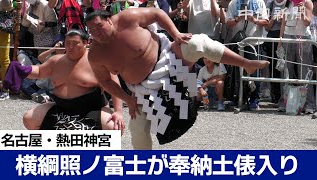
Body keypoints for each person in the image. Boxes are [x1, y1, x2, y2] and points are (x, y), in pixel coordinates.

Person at [85, 8, 269, 149]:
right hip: (141, 89)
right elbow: (106, 81)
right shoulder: (95, 54)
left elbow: (157, 14)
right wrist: (128, 100)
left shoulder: (127, 18)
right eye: (91, 30)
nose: (96, 32)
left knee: (197, 43)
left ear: (109, 20)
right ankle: (144, 167)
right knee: (138, 130)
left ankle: (246, 63)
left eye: (99, 26)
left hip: (168, 59)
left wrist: (176, 34)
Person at [4, 29, 125, 131]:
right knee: (29, 119)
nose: (71, 47)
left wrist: (118, 112)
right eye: (68, 43)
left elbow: (115, 85)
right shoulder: (56, 61)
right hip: (61, 107)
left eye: (75, 43)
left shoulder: (98, 61)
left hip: (92, 108)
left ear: (86, 42)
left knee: (114, 127)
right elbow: (40, 72)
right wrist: (21, 69)